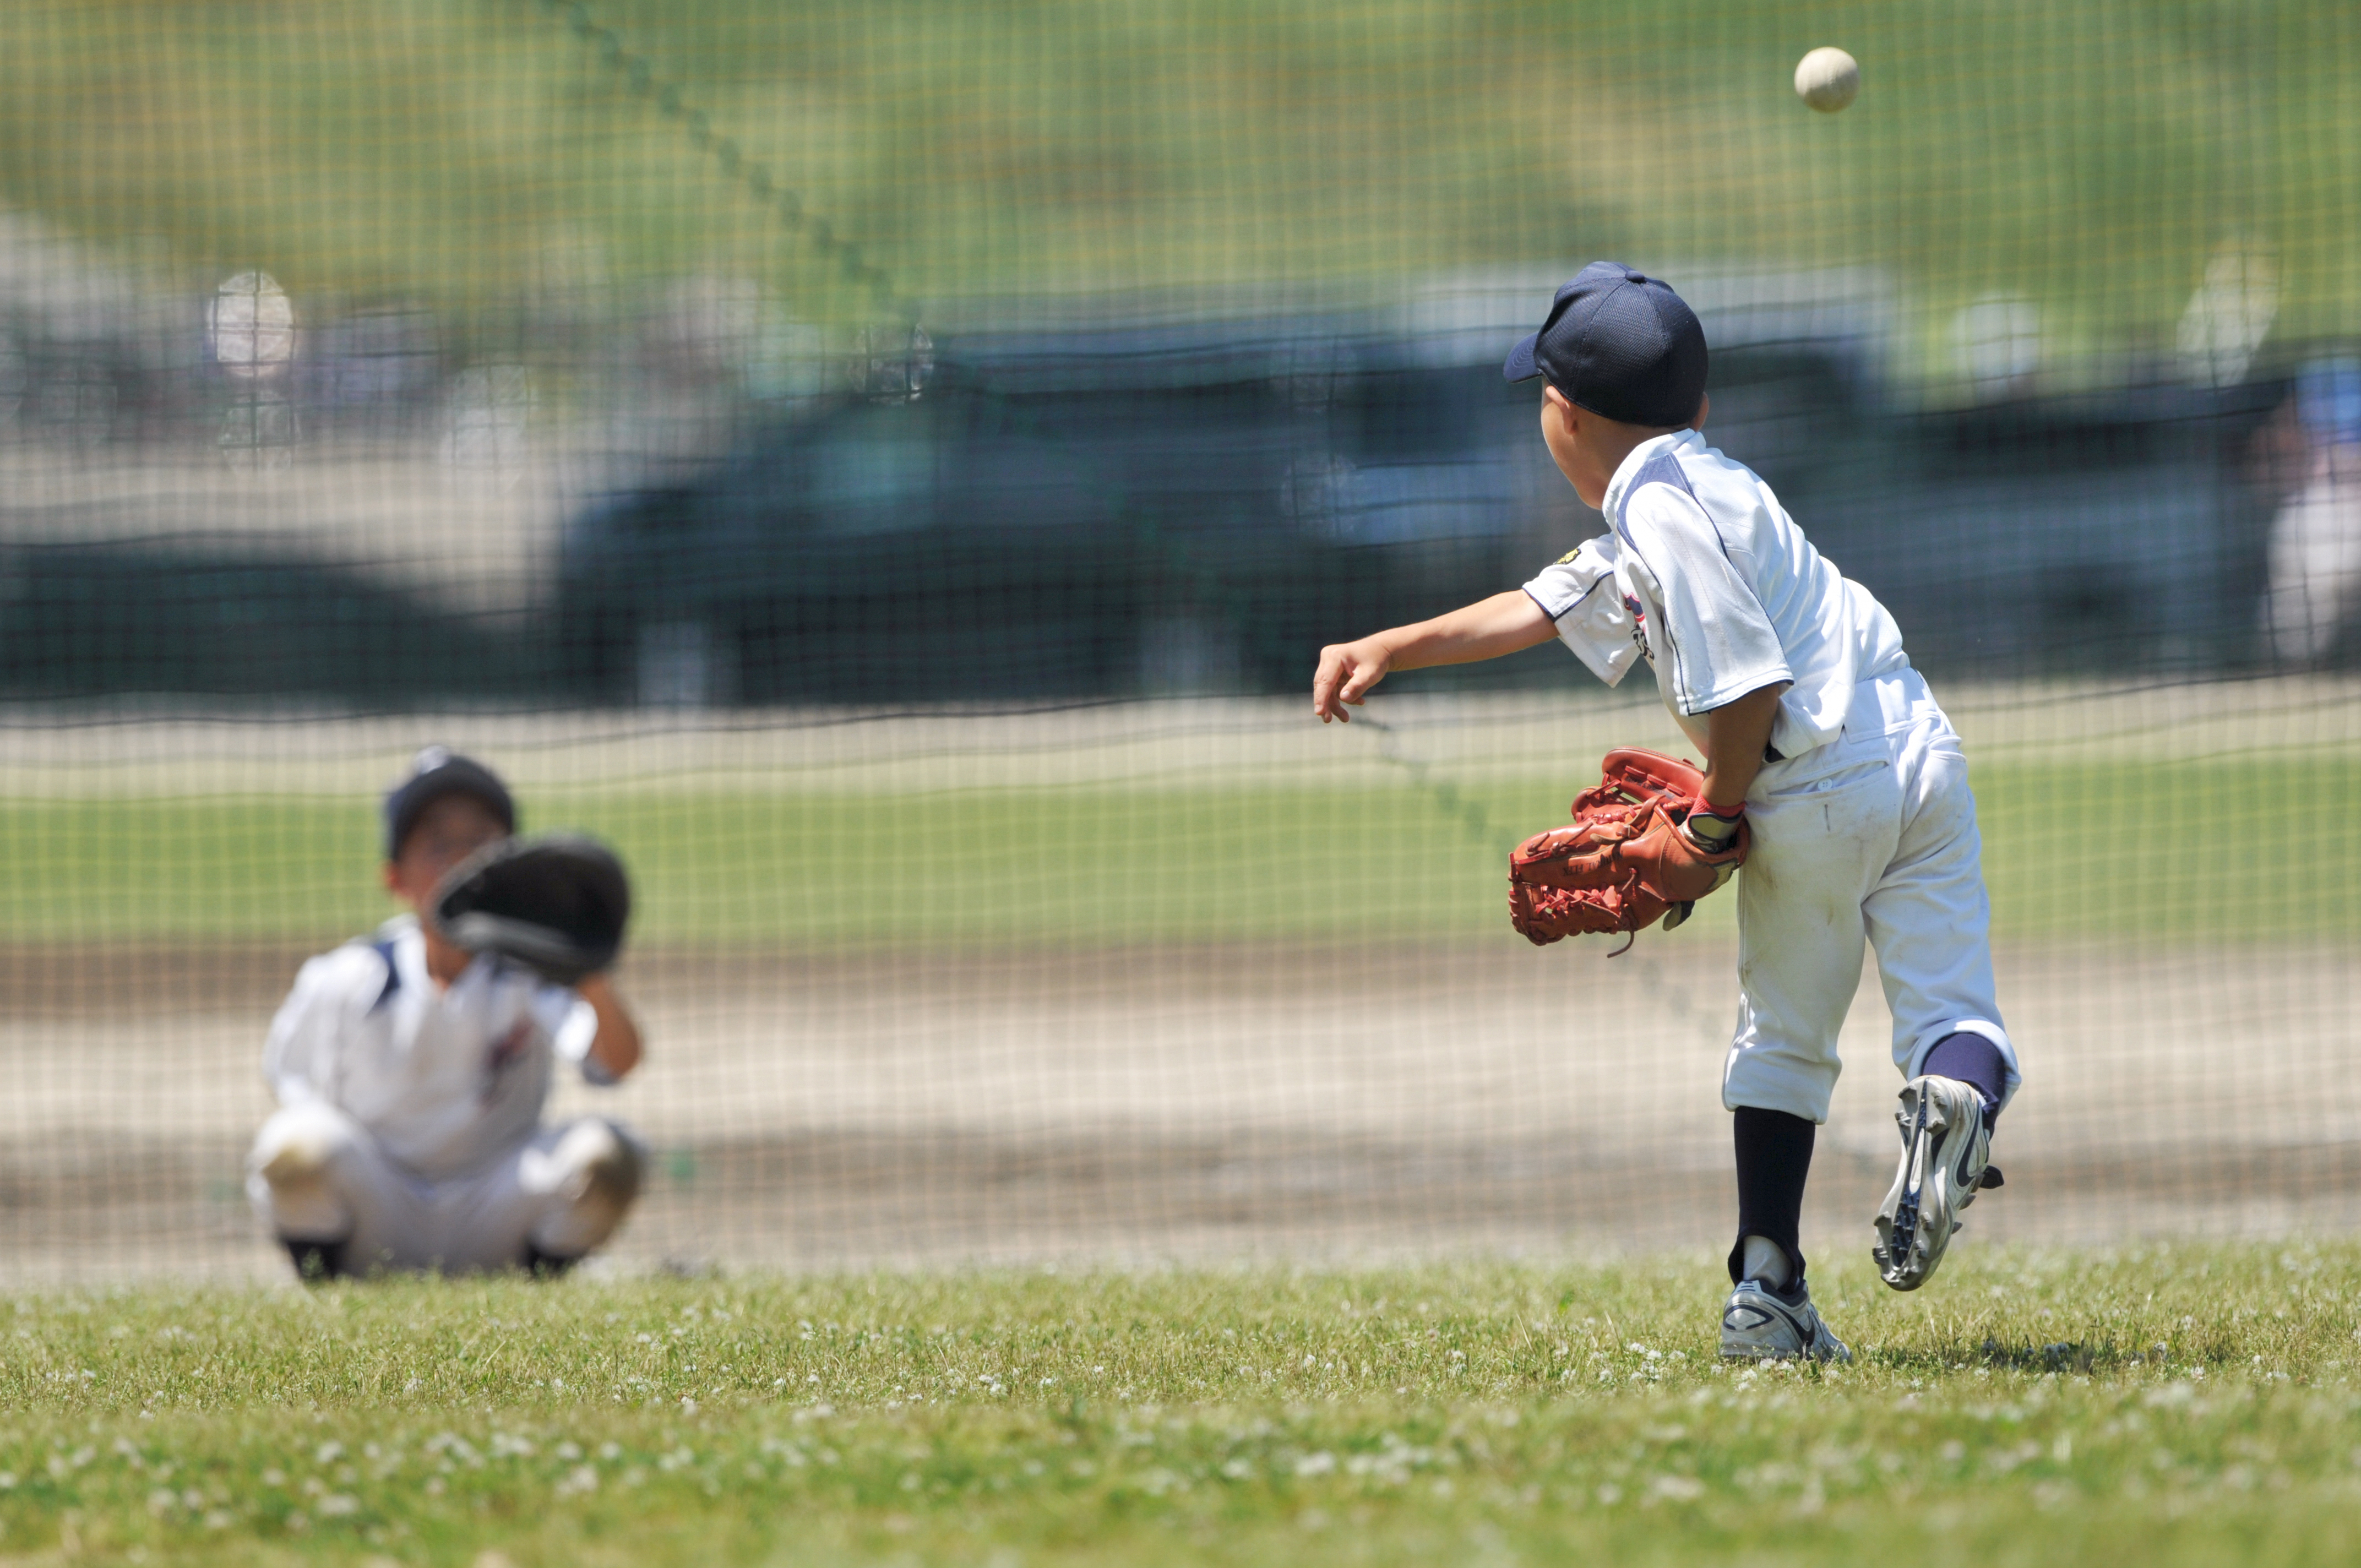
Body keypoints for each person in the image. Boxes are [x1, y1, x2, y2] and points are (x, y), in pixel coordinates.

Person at [1310, 263, 2021, 1360]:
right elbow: (1550, 601)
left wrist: (1710, 821)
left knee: (1780, 1042)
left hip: (1811, 782)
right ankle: (1954, 1100)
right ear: (1696, 405)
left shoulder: (1650, 500)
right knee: (1951, 1013)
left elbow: (1745, 682)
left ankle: (1767, 1290)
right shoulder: (1703, 482)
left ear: (1562, 413)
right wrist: (1386, 647)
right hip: (1918, 750)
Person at [245, 748, 646, 1280]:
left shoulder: (531, 973)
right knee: (293, 1146)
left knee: (606, 1156)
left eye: (482, 842)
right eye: (438, 845)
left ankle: (534, 1292)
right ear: (396, 879)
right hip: (379, 1208)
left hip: (496, 1205)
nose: (462, 860)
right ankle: (329, 1289)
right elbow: (290, 1085)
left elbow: (618, 1062)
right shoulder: (346, 976)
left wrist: (588, 967)